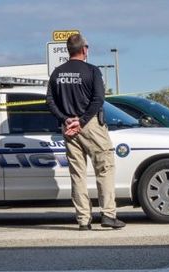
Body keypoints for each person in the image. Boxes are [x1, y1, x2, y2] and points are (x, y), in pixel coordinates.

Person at [46, 33, 125, 230]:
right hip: (90, 125)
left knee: (77, 174)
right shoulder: (92, 71)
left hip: (68, 126)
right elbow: (98, 99)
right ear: (84, 50)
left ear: (68, 50)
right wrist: (81, 121)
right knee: (104, 169)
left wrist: (65, 120)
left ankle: (83, 220)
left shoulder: (57, 73)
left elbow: (49, 101)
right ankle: (108, 214)